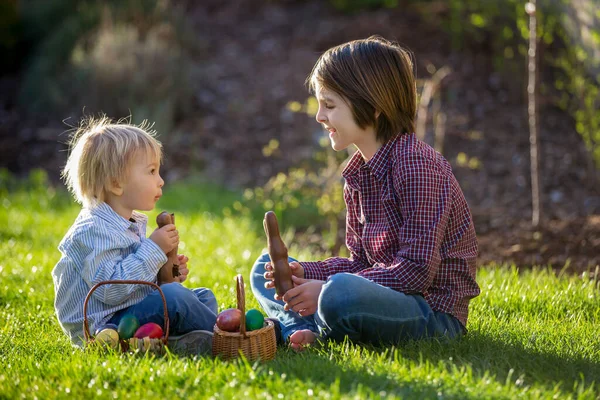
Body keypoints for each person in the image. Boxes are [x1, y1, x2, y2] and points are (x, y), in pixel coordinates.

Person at [250, 36, 480, 351]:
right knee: (264, 267)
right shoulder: (358, 174)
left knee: (340, 294)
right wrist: (305, 272)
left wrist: (325, 290)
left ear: (371, 108)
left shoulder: (418, 167)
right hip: (375, 298)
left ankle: (313, 323)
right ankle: (308, 326)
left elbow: (415, 273)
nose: (319, 116)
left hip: (431, 314)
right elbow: (361, 262)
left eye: (329, 105)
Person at [52, 116, 217, 354]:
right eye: (151, 171)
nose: (160, 181)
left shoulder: (127, 222)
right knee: (175, 299)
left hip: (127, 311)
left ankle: (184, 340)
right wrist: (154, 250)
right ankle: (228, 335)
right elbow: (111, 290)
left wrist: (164, 275)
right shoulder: (92, 230)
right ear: (116, 183)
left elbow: (135, 285)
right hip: (106, 327)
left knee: (203, 296)